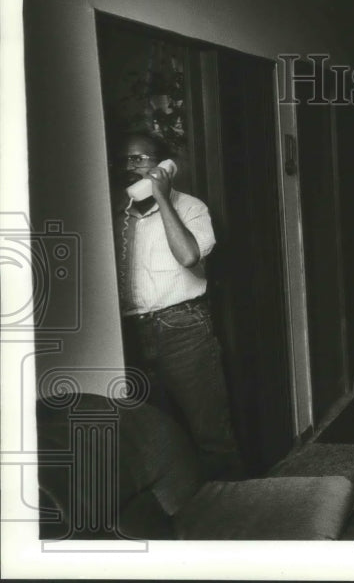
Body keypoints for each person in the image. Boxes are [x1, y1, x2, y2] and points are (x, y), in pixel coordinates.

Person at [112, 132, 244, 478]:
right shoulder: (115, 211)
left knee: (210, 433)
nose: (132, 167)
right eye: (127, 160)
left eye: (141, 159)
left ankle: (234, 515)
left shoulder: (191, 207)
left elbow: (187, 255)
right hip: (129, 334)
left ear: (164, 166)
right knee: (151, 439)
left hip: (182, 328)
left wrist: (162, 197)